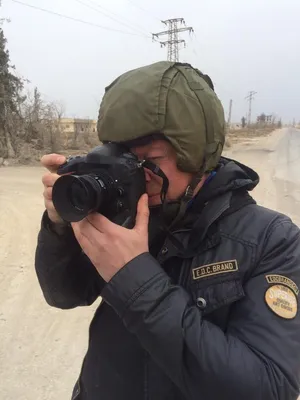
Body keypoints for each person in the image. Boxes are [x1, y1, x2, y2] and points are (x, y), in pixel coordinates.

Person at [35, 61, 300, 400]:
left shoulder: (271, 240)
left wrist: (134, 278)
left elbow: (268, 388)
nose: (134, 175)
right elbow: (63, 294)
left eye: (151, 160)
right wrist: (60, 226)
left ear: (197, 154)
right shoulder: (126, 214)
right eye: (123, 159)